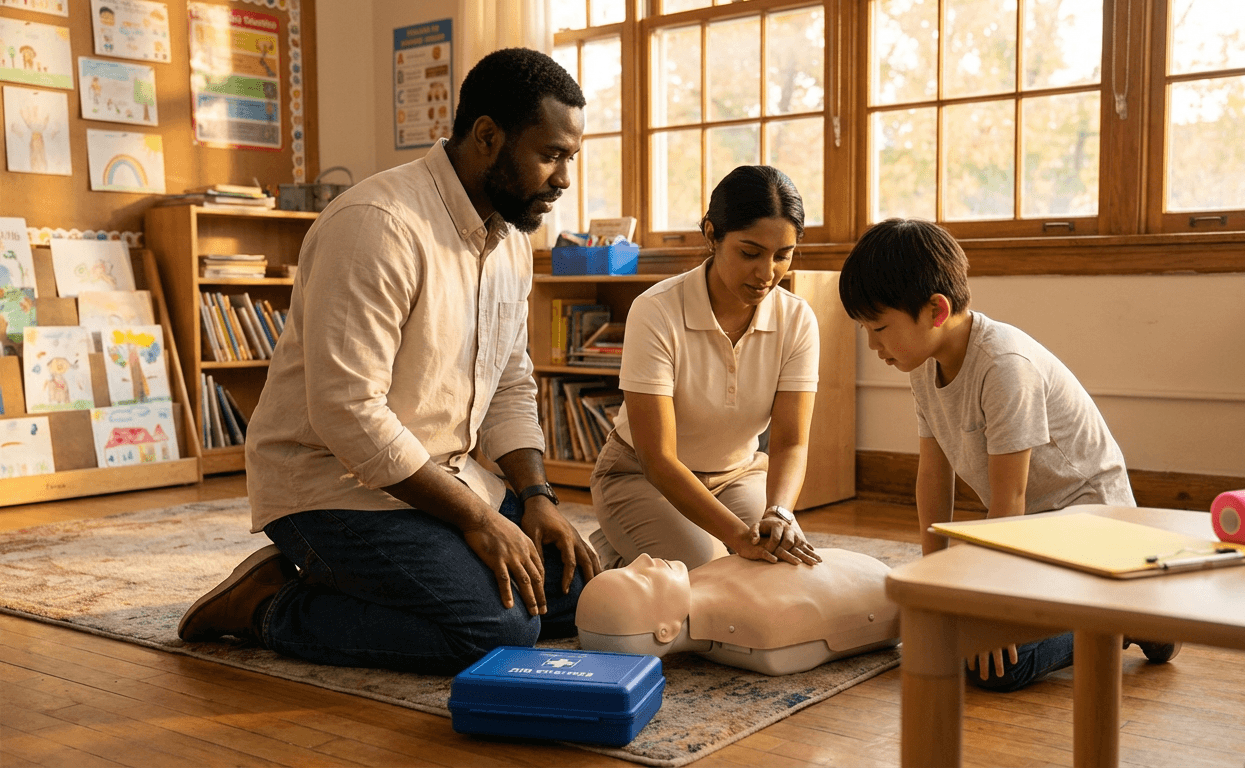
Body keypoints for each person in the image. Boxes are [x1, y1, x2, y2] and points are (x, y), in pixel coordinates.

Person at [177, 48, 600, 675]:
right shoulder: (376, 225)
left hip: (442, 481)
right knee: (499, 627)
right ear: (488, 136)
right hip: (332, 487)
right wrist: (481, 520)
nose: (564, 179)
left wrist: (536, 497)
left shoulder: (510, 241)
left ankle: (349, 583)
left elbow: (511, 384)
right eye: (551, 155)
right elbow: (348, 415)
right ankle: (268, 605)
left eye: (571, 158)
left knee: (582, 594)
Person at [837, 218, 1177, 693]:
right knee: (938, 631)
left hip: (1092, 527)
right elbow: (933, 476)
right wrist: (934, 585)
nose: (872, 344)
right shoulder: (921, 364)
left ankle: (1131, 617)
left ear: (936, 310)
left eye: (878, 328)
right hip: (1031, 534)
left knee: (993, 663)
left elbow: (1009, 497)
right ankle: (1118, 611)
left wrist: (993, 606)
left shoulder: (1003, 365)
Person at [588, 165, 823, 571]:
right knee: (706, 567)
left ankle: (643, 549)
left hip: (737, 475)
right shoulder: (656, 310)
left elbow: (790, 443)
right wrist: (734, 538)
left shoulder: (797, 319)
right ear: (712, 235)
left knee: (777, 564)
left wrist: (780, 513)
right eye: (750, 253)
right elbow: (657, 458)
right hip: (642, 478)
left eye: (782, 255)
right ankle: (615, 548)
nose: (767, 274)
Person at [576, 549, 899, 676]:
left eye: (633, 565)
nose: (644, 558)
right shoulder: (762, 625)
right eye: (642, 577)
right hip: (885, 590)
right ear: (665, 631)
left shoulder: (699, 577)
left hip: (873, 575)